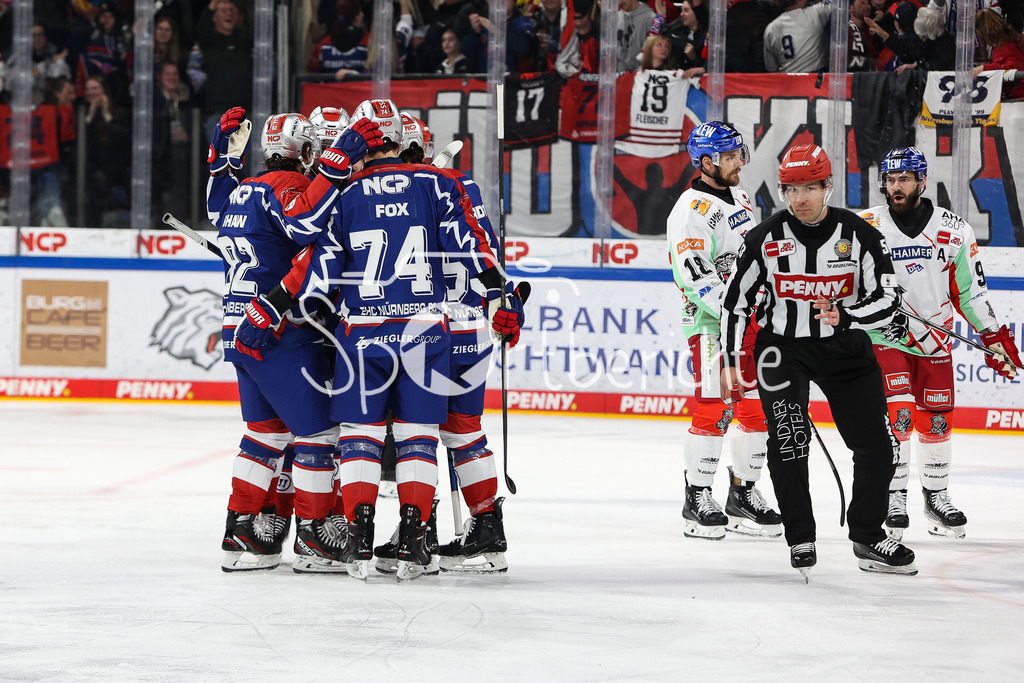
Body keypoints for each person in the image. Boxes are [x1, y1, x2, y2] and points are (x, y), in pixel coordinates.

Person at [237, 98, 524, 581]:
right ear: (408, 142)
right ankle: (433, 536)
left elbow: (317, 266)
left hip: (366, 330)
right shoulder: (449, 184)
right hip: (448, 326)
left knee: (362, 436)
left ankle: (360, 542)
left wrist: (277, 305)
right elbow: (477, 244)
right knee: (447, 432)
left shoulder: (346, 193)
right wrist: (501, 295)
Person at [720, 142, 918, 579]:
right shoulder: (764, 237)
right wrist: (729, 358)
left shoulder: (861, 234)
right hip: (781, 351)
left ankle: (868, 535)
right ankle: (800, 536)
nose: (799, 198)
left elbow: (888, 299)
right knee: (789, 442)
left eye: (809, 187)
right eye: (790, 189)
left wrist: (847, 314)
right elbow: (734, 304)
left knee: (877, 447)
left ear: (828, 186)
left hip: (846, 349)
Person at [213, 108, 384, 573]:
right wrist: (334, 166)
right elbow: (304, 225)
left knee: (264, 435)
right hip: (277, 328)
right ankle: (313, 537)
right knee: (318, 435)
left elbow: (215, 211)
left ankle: (242, 532)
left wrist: (220, 167)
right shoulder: (286, 185)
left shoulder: (243, 189)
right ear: (305, 150)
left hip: (237, 327)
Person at [371, 113, 519, 574]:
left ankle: (421, 530)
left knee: (417, 431)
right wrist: (503, 299)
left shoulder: (399, 191)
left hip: (426, 328)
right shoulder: (461, 186)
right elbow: (483, 251)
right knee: (464, 429)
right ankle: (487, 529)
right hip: (472, 325)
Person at [858, 147, 1021, 541]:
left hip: (934, 342)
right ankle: (893, 496)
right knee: (897, 417)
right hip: (885, 337)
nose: (896, 187)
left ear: (922, 181)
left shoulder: (955, 229)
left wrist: (994, 336)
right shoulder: (865, 225)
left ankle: (936, 496)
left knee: (936, 421)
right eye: (891, 180)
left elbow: (970, 293)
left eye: (904, 180)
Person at [666, 122, 782, 540]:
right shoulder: (689, 211)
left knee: (755, 407)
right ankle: (696, 497)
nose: (740, 162)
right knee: (716, 405)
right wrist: (738, 312)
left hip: (747, 319)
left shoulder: (740, 196)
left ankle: (742, 493)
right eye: (731, 157)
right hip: (712, 324)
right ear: (707, 161)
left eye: (739, 154)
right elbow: (695, 277)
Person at [763, 0, 830, 73]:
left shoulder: (771, 28)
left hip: (786, 80)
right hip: (813, 79)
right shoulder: (815, 13)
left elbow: (771, 69)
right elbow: (837, 4)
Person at [975, 8, 1024, 99]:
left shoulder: (1002, 45)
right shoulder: (1013, 39)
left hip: (1018, 99)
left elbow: (1012, 67)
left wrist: (983, 68)